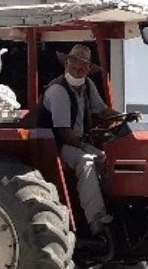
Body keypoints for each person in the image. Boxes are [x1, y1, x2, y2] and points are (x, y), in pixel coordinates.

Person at [42, 44, 120, 234]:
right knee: (86, 161)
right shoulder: (58, 91)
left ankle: (117, 211)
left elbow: (101, 110)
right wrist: (84, 147)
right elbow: (63, 132)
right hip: (57, 145)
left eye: (81, 66)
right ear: (66, 64)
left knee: (106, 159)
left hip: (79, 141)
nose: (77, 69)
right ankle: (96, 220)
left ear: (87, 69)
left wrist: (125, 117)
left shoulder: (87, 85)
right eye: (73, 64)